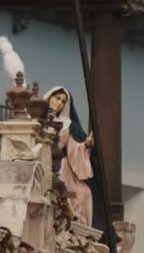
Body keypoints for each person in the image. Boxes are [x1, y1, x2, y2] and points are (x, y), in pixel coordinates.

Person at [44, 86, 96, 226]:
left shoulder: (66, 124)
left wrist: (87, 145)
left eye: (63, 101)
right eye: (57, 98)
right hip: (38, 160)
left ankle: (74, 227)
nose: (59, 103)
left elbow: (74, 148)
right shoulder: (35, 117)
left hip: (59, 164)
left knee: (83, 192)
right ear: (49, 97)